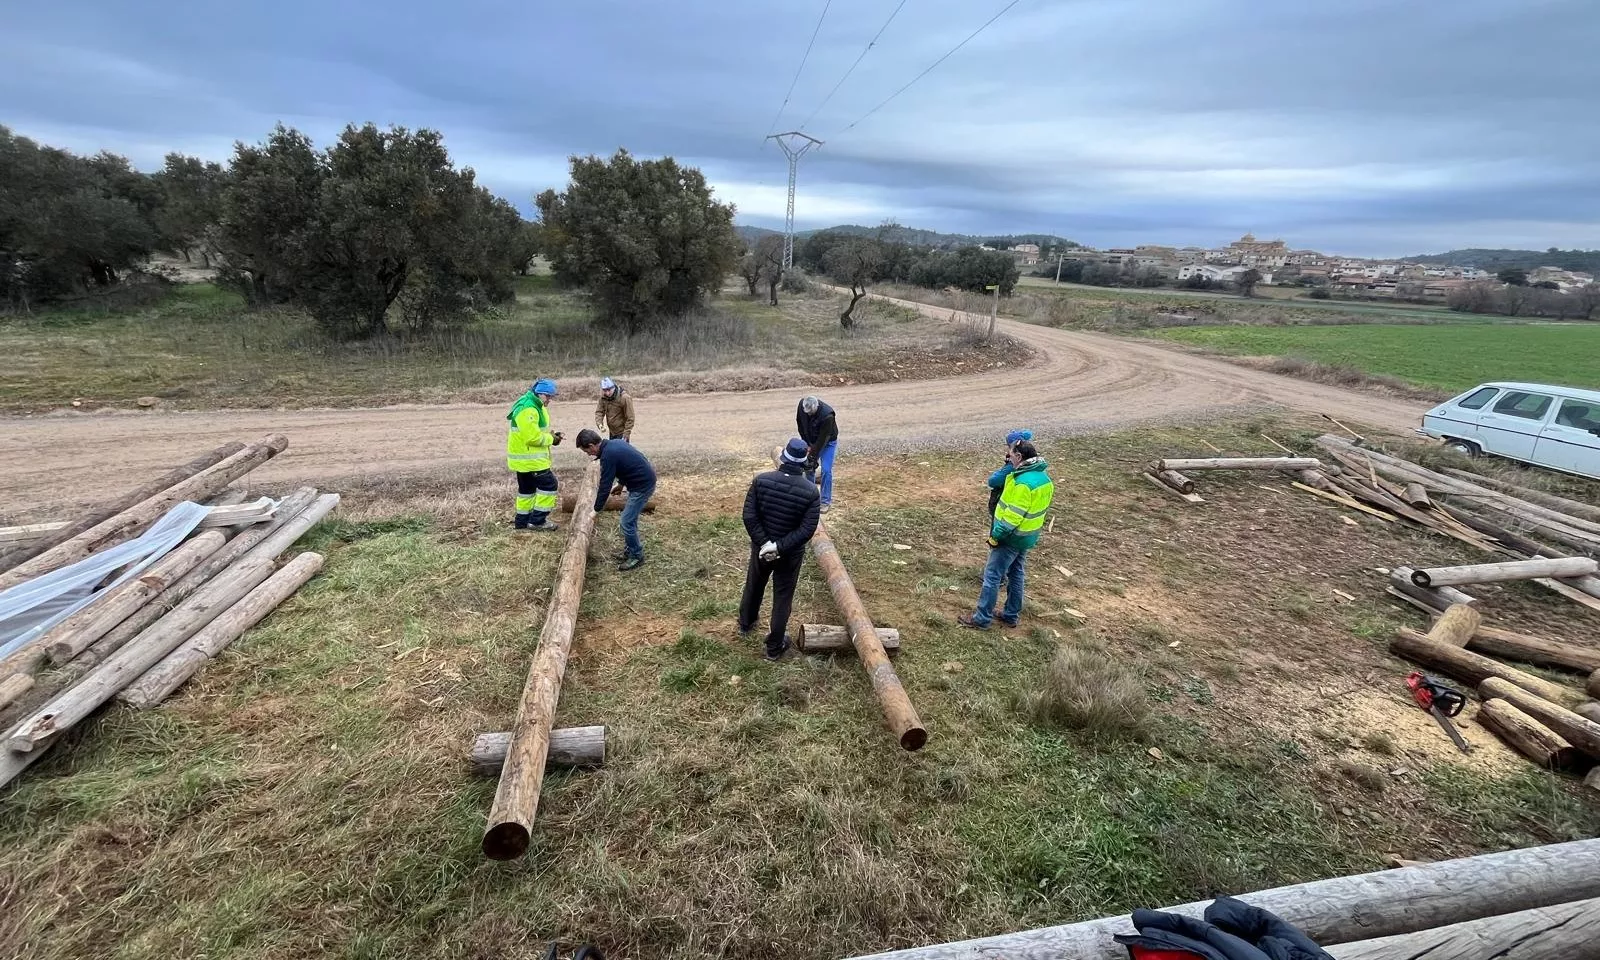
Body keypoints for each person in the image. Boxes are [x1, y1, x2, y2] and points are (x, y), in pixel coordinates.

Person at [739, 437, 822, 661]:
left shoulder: (761, 481)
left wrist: (765, 544)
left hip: (761, 549)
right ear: (804, 462)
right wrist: (779, 547)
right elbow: (806, 530)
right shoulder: (810, 492)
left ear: (783, 458)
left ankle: (746, 623)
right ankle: (774, 647)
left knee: (754, 584)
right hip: (790, 554)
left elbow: (749, 516)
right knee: (783, 597)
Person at [959, 440, 1054, 630]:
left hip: (1010, 537)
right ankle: (1011, 615)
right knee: (1016, 573)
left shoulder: (1023, 484)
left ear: (1019, 456)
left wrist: (996, 535)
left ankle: (982, 618)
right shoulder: (1044, 479)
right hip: (1026, 537)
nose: (1008, 457)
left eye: (1010, 453)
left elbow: (1012, 517)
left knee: (992, 576)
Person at [574, 429, 657, 571]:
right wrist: (621, 484)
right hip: (641, 482)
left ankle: (636, 556)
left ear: (592, 445)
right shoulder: (614, 443)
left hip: (642, 486)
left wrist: (596, 510)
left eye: (586, 451)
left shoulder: (608, 455)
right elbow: (629, 463)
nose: (588, 454)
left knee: (626, 522)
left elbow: (605, 485)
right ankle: (630, 550)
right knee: (630, 520)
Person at [506, 378, 563, 531]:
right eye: (548, 396)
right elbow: (532, 438)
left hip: (526, 461)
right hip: (532, 461)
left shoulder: (533, 404)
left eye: (551, 396)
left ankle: (522, 522)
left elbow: (536, 431)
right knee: (549, 485)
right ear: (539, 394)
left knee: (527, 491)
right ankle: (537, 521)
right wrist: (551, 439)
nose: (549, 400)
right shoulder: (529, 409)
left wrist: (551, 436)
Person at [796, 395, 839, 512]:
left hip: (827, 442)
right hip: (811, 439)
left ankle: (825, 501)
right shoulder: (802, 406)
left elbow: (822, 440)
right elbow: (800, 424)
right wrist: (806, 443)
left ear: (816, 407)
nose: (809, 415)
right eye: (807, 413)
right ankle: (811, 498)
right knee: (808, 467)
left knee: (826, 470)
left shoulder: (827, 415)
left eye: (811, 413)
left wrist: (812, 454)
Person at [988, 428, 1033, 518]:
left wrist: (997, 473)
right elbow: (1028, 433)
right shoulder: (1032, 461)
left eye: (1009, 447)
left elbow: (993, 481)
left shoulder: (1012, 466)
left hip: (1006, 508)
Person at [594, 376, 635, 441]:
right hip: (612, 432)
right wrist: (599, 424)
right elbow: (599, 412)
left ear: (613, 387)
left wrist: (626, 433)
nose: (607, 393)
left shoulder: (624, 398)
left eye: (609, 390)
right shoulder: (603, 398)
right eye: (605, 390)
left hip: (622, 433)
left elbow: (630, 418)